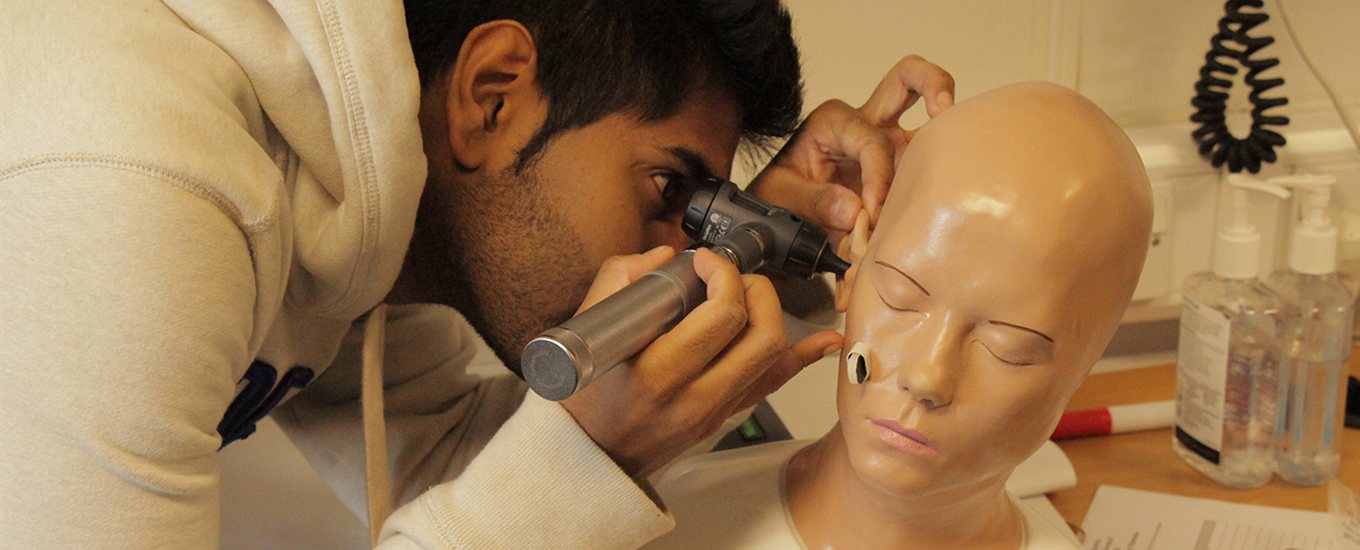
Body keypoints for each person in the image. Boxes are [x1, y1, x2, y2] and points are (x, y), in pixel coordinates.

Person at [0, 0, 956, 547]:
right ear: (493, 95)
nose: (663, 259)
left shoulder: (367, 206)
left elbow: (454, 470)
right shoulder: (132, 185)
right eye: (666, 188)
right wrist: (603, 449)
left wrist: (752, 251)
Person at [643, 81, 1153, 549]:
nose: (927, 376)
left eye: (1008, 347)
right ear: (854, 268)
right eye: (900, 297)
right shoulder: (667, 522)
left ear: (1082, 368)